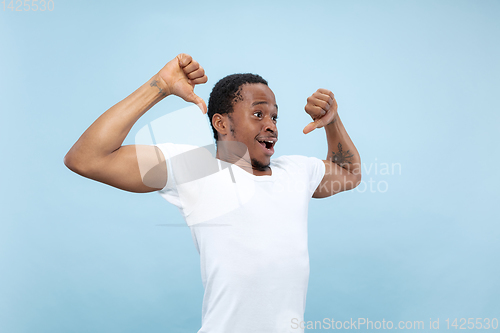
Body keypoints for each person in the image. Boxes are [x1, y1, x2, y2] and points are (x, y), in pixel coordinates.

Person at [64, 53, 362, 333]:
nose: (271, 126)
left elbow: (349, 172)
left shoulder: (296, 171)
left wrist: (331, 121)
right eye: (258, 114)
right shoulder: (194, 167)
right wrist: (160, 86)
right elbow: (87, 159)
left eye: (274, 117)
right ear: (221, 123)